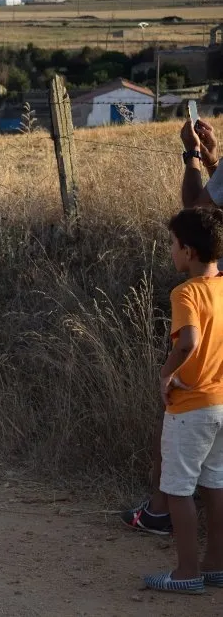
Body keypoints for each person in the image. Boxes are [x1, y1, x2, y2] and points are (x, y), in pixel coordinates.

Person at [121, 118, 220, 535]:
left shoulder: (187, 293)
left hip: (207, 320)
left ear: (186, 250)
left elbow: (196, 212)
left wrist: (193, 155)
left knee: (176, 409)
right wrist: (215, 161)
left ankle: (164, 512)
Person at [142, 207, 223, 595]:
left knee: (177, 489)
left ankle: (186, 572)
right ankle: (216, 565)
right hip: (221, 403)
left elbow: (188, 341)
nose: (171, 251)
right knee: (216, 484)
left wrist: (166, 373)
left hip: (191, 407)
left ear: (188, 251)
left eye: (173, 244)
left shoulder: (185, 292)